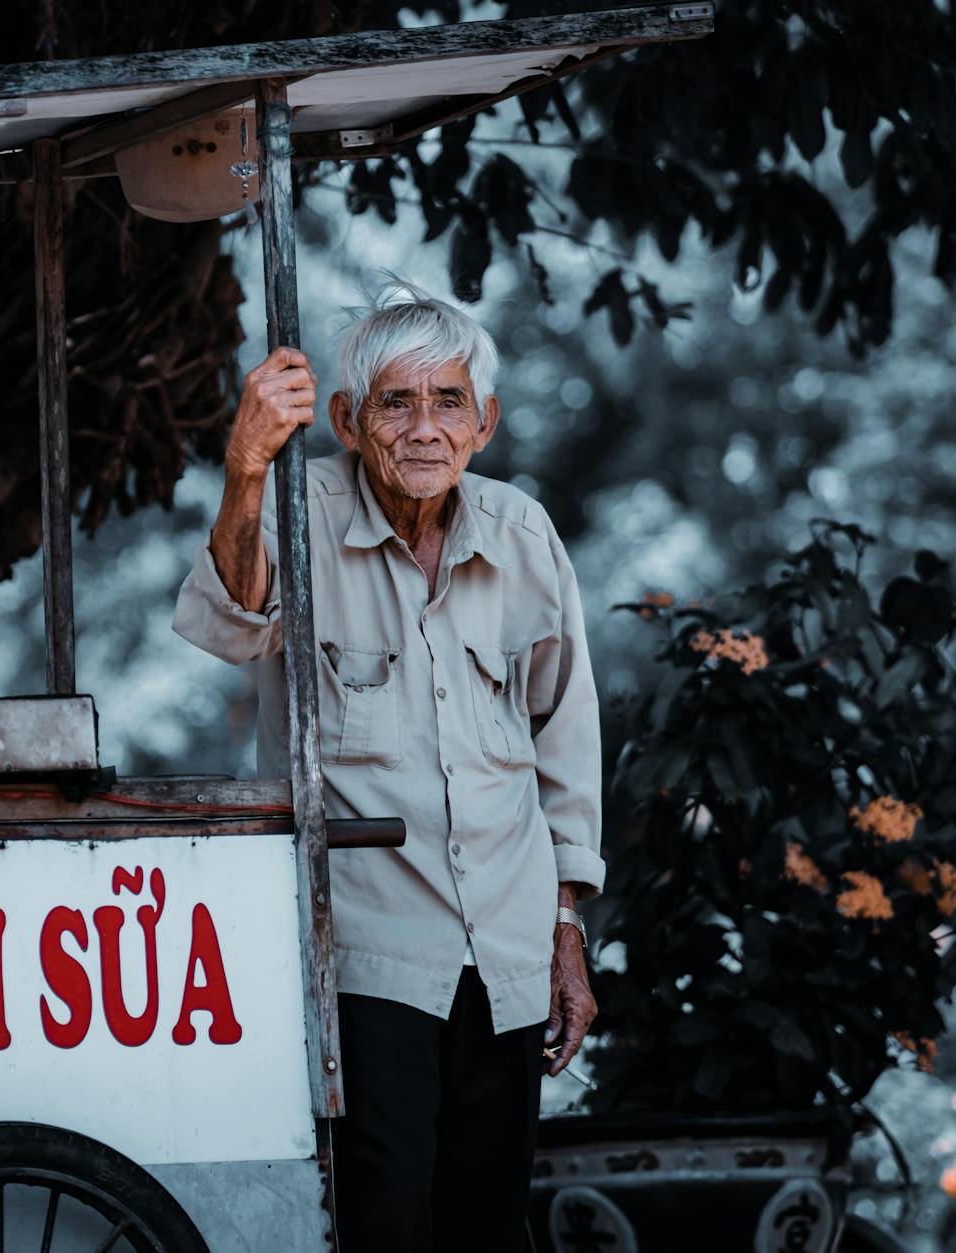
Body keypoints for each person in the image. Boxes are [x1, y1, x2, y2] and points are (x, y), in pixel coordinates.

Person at [172, 279, 601, 1252]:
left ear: (483, 421)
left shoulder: (521, 532)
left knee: (486, 1221)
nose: (421, 428)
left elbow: (564, 741)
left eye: (445, 400)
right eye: (393, 402)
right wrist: (245, 470)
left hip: (506, 939)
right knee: (383, 1210)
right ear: (345, 419)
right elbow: (234, 626)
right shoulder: (299, 507)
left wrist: (565, 923)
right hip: (366, 946)